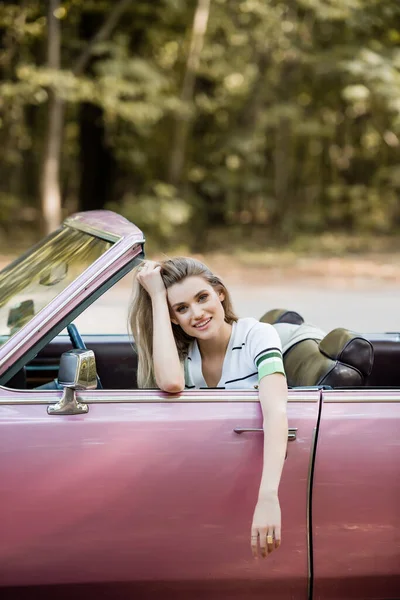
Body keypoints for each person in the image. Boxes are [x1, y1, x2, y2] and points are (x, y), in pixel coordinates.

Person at [129, 257, 288, 559]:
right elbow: (172, 383)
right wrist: (157, 299)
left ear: (220, 293)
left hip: (257, 476)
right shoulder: (185, 353)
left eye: (202, 298)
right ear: (173, 318)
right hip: (209, 479)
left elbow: (276, 412)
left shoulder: (257, 335)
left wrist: (268, 496)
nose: (197, 314)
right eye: (182, 308)